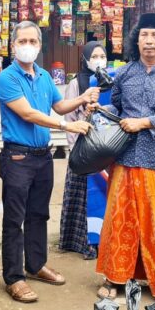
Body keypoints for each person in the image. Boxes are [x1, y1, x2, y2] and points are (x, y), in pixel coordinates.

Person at [0, 20, 99, 303]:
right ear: (13, 45)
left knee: (39, 214)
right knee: (14, 219)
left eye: (33, 41)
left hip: (43, 156)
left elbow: (59, 106)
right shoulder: (7, 78)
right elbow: (28, 113)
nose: (27, 46)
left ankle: (36, 264)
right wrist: (66, 126)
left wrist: (82, 98)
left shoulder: (43, 76)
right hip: (17, 156)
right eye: (22, 41)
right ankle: (14, 278)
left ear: (40, 46)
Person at [96, 13, 155, 300]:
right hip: (125, 158)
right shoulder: (125, 73)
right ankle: (115, 278)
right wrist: (99, 111)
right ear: (136, 41)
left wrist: (146, 122)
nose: (148, 41)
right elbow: (117, 108)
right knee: (120, 220)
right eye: (143, 35)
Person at [59, 41, 108, 260]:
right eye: (94, 56)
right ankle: (79, 242)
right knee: (82, 196)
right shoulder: (76, 83)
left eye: (102, 56)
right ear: (86, 59)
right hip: (83, 148)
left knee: (102, 195)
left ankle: (103, 240)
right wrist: (75, 148)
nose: (99, 60)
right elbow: (69, 117)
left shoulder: (111, 80)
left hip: (106, 148)